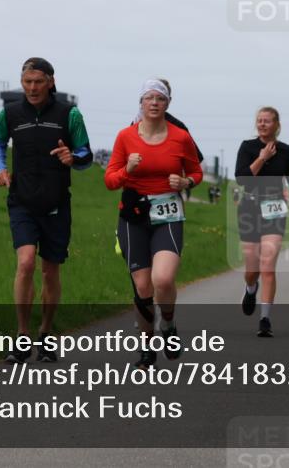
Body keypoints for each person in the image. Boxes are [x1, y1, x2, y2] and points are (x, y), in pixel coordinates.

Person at [0, 58, 93, 364]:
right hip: (21, 200)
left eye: (38, 81)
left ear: (50, 81)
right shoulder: (10, 113)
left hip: (56, 203)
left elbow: (86, 153)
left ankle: (46, 334)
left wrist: (72, 157)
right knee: (25, 263)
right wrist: (0, 168)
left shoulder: (69, 114)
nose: (32, 88)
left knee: (50, 271)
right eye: (27, 82)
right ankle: (22, 336)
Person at [105, 79, 203, 369]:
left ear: (168, 104)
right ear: (141, 103)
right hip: (133, 215)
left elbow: (196, 172)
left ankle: (169, 324)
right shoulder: (125, 137)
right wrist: (127, 170)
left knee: (163, 279)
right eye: (149, 98)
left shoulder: (180, 137)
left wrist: (186, 181)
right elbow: (110, 180)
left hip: (168, 216)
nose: (154, 103)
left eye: (160, 98)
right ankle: (147, 349)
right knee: (143, 286)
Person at [235, 107, 289, 337]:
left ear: (276, 125)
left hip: (274, 209)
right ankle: (250, 288)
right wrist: (261, 158)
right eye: (259, 121)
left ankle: (265, 319)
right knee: (252, 269)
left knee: (268, 266)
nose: (262, 124)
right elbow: (242, 179)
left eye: (267, 121)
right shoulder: (247, 147)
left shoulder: (285, 151)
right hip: (249, 208)